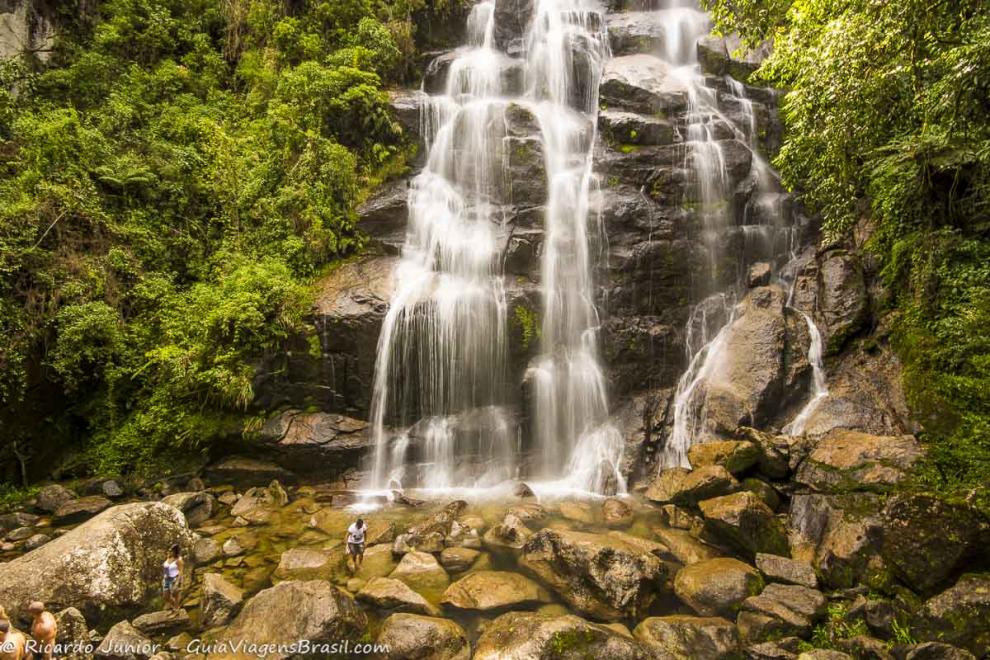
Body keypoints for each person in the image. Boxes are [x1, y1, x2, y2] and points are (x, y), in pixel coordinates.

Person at [162, 544, 184, 613]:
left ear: (175, 552)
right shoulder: (168, 558)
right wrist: (164, 578)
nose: (170, 551)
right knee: (166, 596)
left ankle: (176, 610)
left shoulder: (179, 560)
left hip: (175, 578)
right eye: (170, 550)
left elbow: (181, 572)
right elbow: (165, 568)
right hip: (167, 579)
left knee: (176, 596)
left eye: (172, 550)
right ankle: (176, 608)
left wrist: (178, 582)